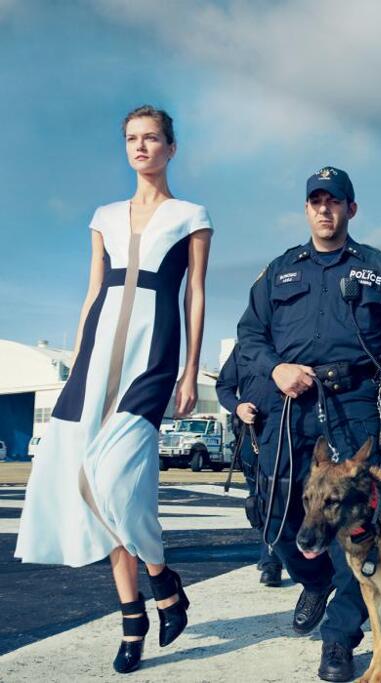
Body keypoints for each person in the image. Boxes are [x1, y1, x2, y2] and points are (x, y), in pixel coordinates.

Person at [15, 105, 211, 673]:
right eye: (132, 139)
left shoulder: (191, 215)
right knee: (89, 488)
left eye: (152, 138)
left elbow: (194, 294)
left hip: (152, 356)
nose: (142, 147)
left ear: (171, 148)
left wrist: (190, 368)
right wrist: (77, 363)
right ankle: (135, 616)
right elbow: (93, 291)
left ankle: (162, 579)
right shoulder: (102, 216)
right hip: (95, 358)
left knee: (119, 480)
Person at [237, 166, 381, 682]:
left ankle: (340, 640)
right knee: (271, 511)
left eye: (335, 201)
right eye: (315, 201)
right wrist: (275, 368)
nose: (324, 209)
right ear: (306, 209)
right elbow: (250, 337)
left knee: (356, 522)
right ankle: (313, 578)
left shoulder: (377, 269)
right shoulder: (279, 271)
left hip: (355, 401)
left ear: (351, 208)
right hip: (291, 406)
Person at [215, 343, 285, 587]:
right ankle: (269, 551)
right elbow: (223, 387)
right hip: (250, 434)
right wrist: (237, 407)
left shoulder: (292, 340)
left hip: (285, 431)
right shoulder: (242, 349)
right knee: (258, 498)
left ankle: (272, 560)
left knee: (279, 494)